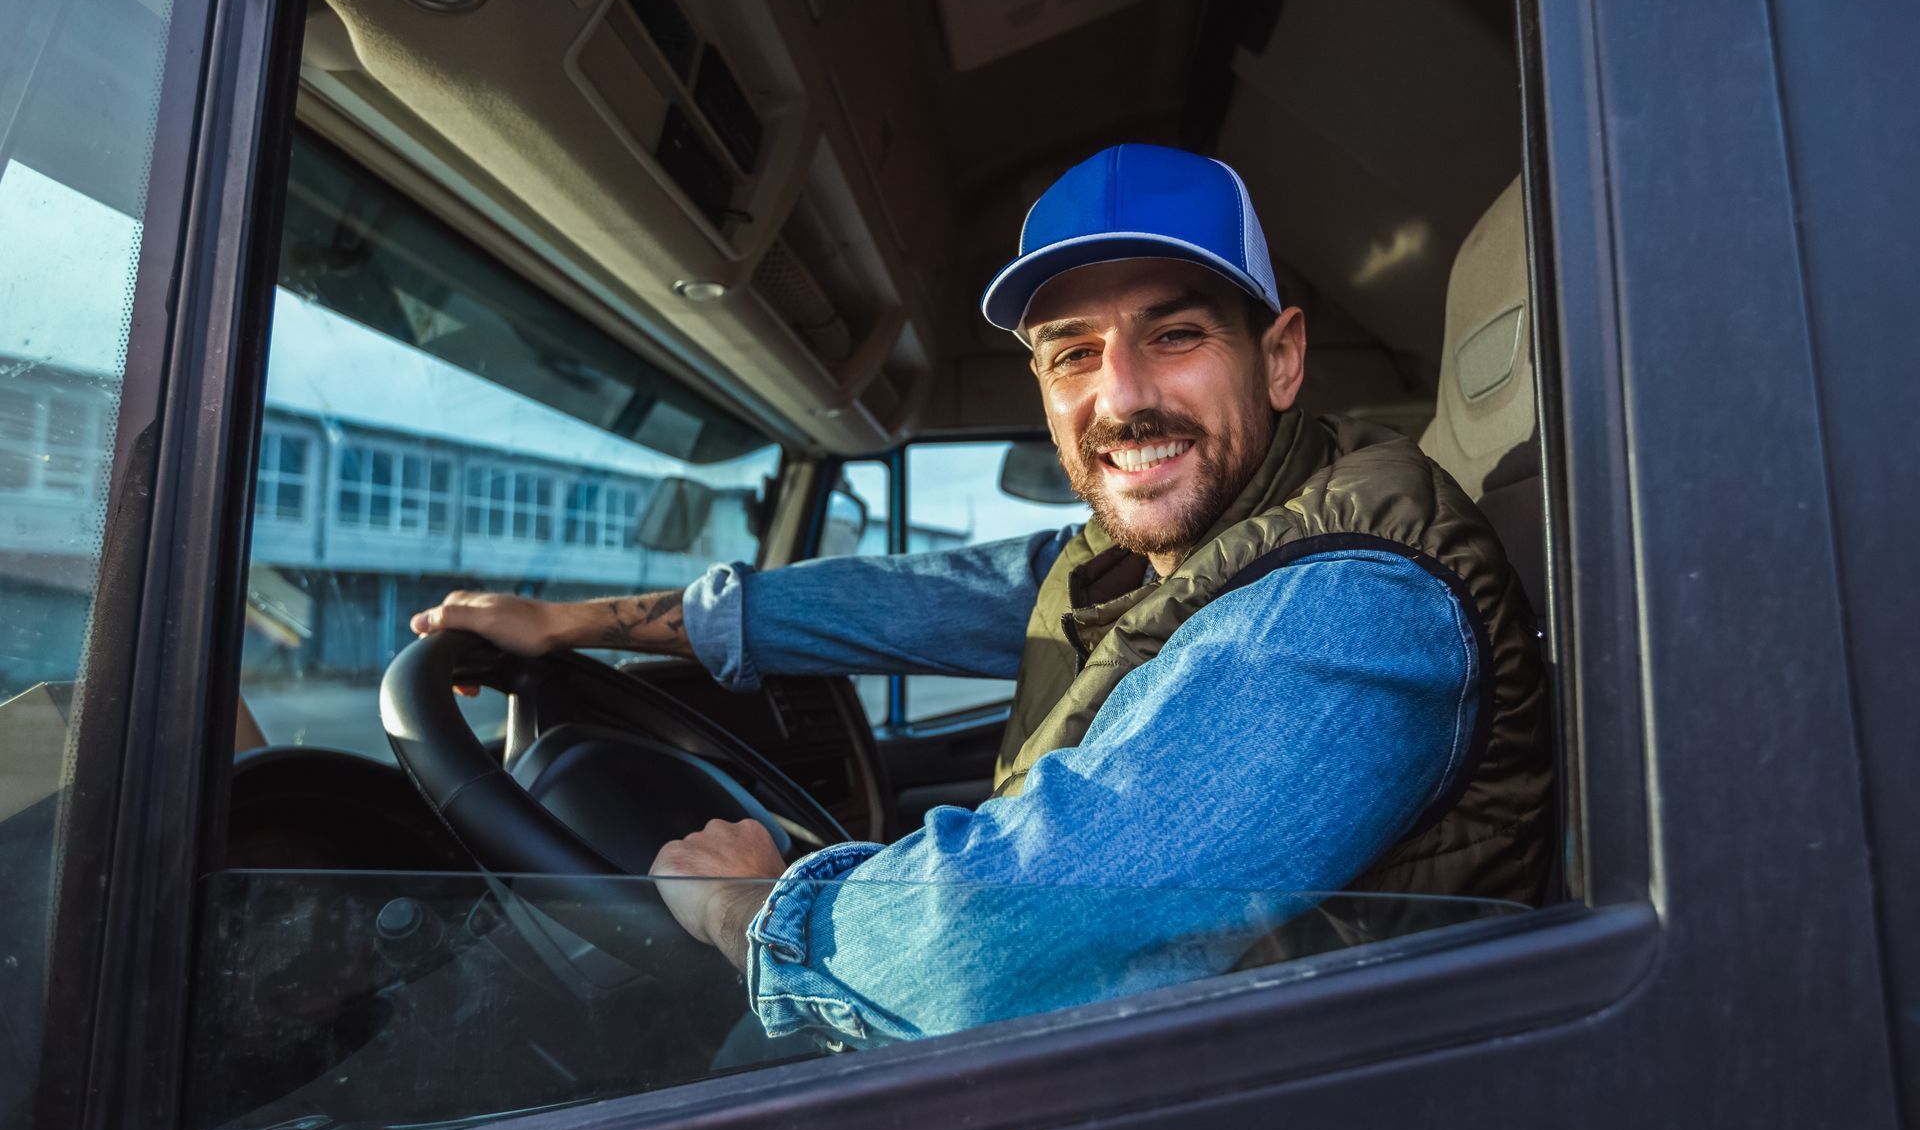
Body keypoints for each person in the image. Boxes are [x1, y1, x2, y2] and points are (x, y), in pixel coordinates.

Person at [411, 144, 1552, 1045]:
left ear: (1283, 357)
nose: (1125, 396)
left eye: (1178, 333)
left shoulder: (1350, 605)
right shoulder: (1168, 545)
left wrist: (748, 910)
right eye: (1072, 351)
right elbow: (921, 597)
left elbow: (976, 956)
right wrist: (584, 623)